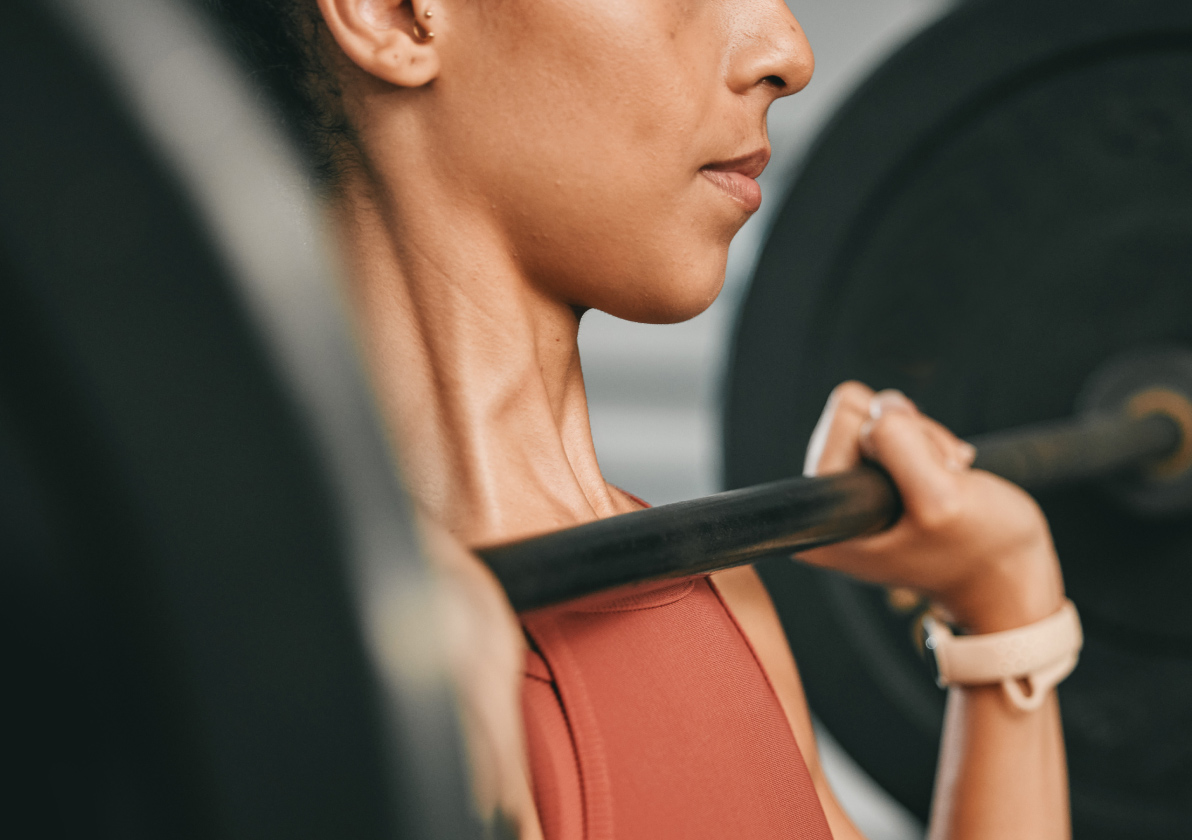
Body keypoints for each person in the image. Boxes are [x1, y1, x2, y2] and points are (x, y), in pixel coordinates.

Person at [214, 0, 1074, 837]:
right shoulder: (293, 661)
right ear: (395, 14)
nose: (788, 51)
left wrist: (1007, 609)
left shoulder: (719, 593)